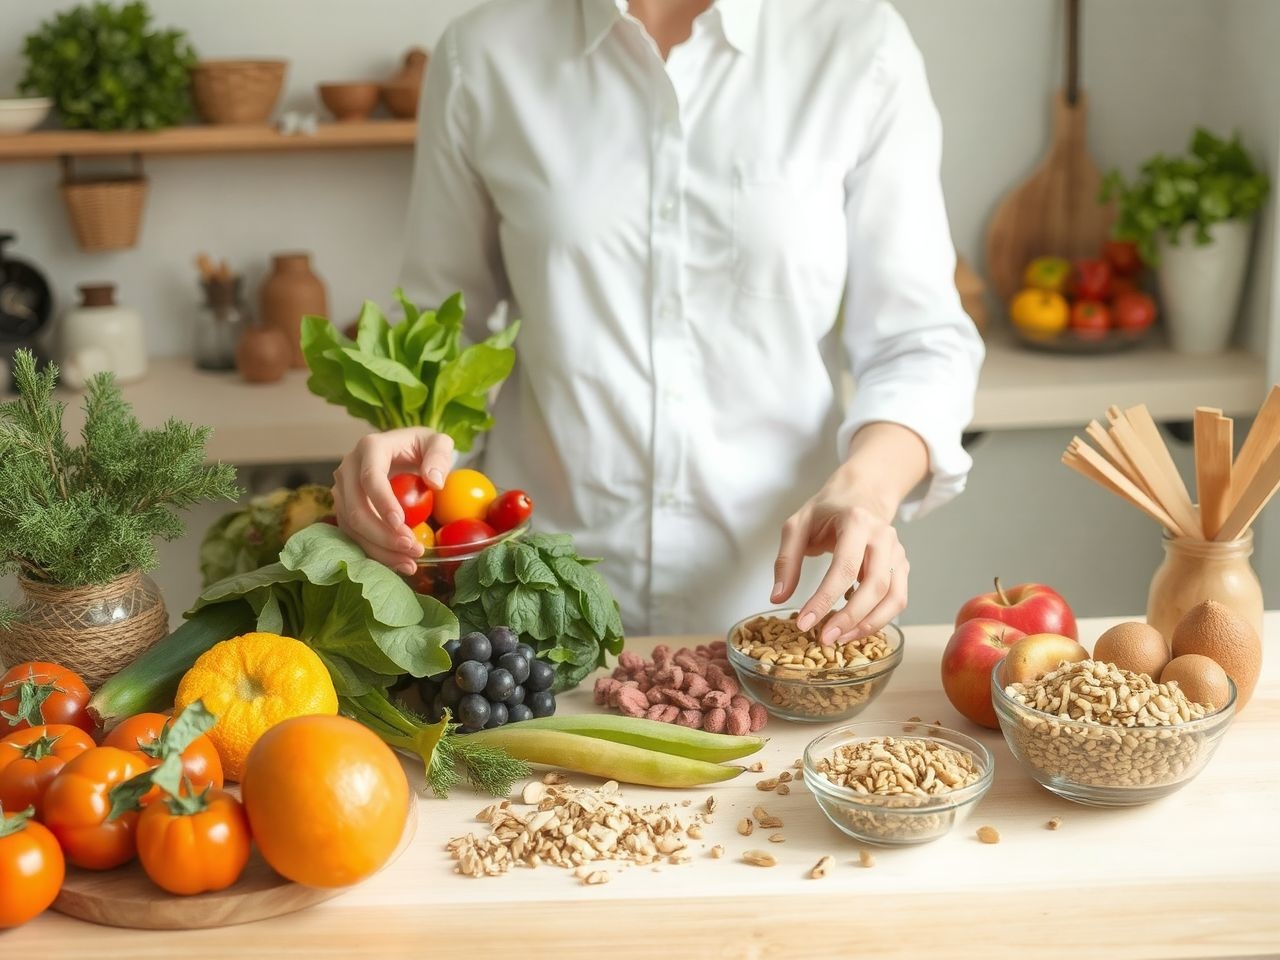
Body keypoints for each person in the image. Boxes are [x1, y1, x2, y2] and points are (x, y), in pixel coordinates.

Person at [333, 0, 984, 643]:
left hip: (783, 617)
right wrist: (410, 441)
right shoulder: (482, 54)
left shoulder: (858, 44)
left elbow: (919, 343)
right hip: (538, 607)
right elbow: (442, 325)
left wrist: (866, 490)